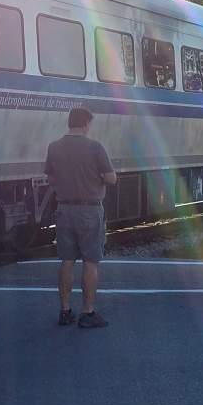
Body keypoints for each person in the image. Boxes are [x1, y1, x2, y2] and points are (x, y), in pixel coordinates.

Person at [45, 107, 117, 328]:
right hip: (89, 211)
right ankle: (88, 312)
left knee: (67, 261)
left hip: (64, 210)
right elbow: (110, 178)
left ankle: (65, 311)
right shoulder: (94, 147)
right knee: (90, 262)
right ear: (86, 123)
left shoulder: (54, 147)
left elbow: (51, 178)